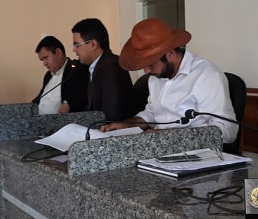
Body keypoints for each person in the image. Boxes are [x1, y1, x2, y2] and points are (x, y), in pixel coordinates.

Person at [101, 18, 238, 144]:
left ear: (170, 53)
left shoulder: (206, 75)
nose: (146, 71)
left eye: (151, 64)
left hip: (195, 151)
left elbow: (228, 131)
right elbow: (152, 113)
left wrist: (168, 135)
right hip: (158, 147)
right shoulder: (156, 77)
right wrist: (128, 125)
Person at [71, 18, 135, 120]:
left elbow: (112, 114)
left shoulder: (111, 67)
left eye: (77, 45)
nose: (74, 50)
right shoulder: (98, 65)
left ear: (93, 44)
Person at [32, 36, 89, 114]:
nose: (44, 63)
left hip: (60, 120)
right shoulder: (48, 75)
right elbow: (40, 98)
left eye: (46, 58)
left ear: (58, 52)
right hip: (39, 118)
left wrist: (67, 103)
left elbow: (81, 92)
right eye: (42, 60)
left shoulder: (76, 69)